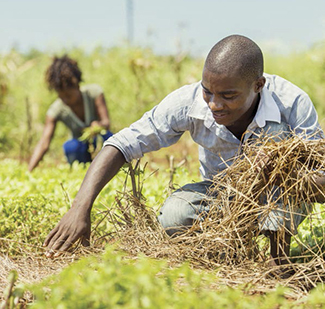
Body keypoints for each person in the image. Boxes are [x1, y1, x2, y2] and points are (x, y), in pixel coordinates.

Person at [43, 35, 325, 266]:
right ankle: (231, 255)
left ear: (258, 85)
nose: (214, 104)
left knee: (278, 142)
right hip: (223, 195)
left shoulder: (291, 102)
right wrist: (80, 207)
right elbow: (123, 143)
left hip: (282, 194)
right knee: (174, 215)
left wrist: (280, 171)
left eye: (228, 96)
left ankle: (279, 261)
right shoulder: (189, 102)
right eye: (208, 92)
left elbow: (321, 180)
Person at [28, 55, 113, 172]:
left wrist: (98, 126)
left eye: (68, 96)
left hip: (98, 141)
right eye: (61, 97)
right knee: (71, 147)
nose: (65, 100)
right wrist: (30, 170)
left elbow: (106, 122)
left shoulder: (94, 93)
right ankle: (83, 173)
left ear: (77, 86)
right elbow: (44, 142)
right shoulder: (56, 109)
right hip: (80, 149)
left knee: (109, 139)